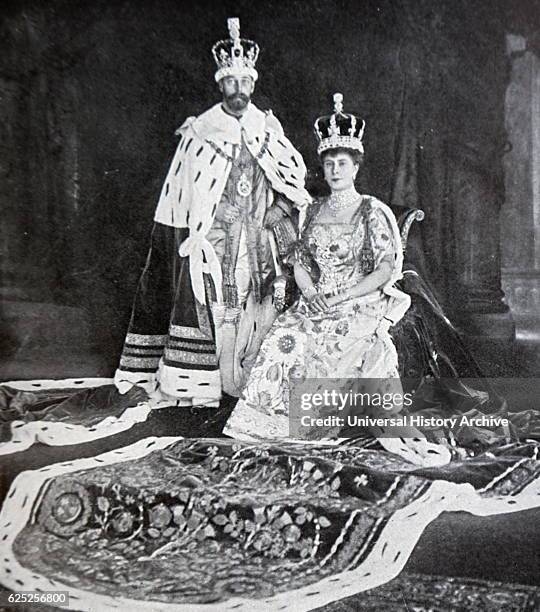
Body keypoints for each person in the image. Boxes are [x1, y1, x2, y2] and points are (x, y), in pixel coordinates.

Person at [224, 94, 451, 466]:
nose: (334, 171)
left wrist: (342, 295)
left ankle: (309, 426)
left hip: (360, 298)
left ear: (355, 167)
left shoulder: (372, 210)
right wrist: (312, 292)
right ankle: (267, 425)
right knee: (286, 335)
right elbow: (299, 260)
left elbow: (384, 269)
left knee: (328, 341)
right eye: (328, 163)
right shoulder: (311, 210)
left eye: (342, 163)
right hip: (318, 297)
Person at [114, 18, 311, 407]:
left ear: (252, 84)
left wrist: (281, 207)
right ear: (221, 84)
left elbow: (292, 177)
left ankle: (248, 382)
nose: (238, 91)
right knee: (214, 305)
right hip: (213, 241)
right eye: (231, 83)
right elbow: (181, 195)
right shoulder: (200, 132)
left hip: (258, 239)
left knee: (255, 305)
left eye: (244, 83)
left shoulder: (267, 129)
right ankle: (205, 385)